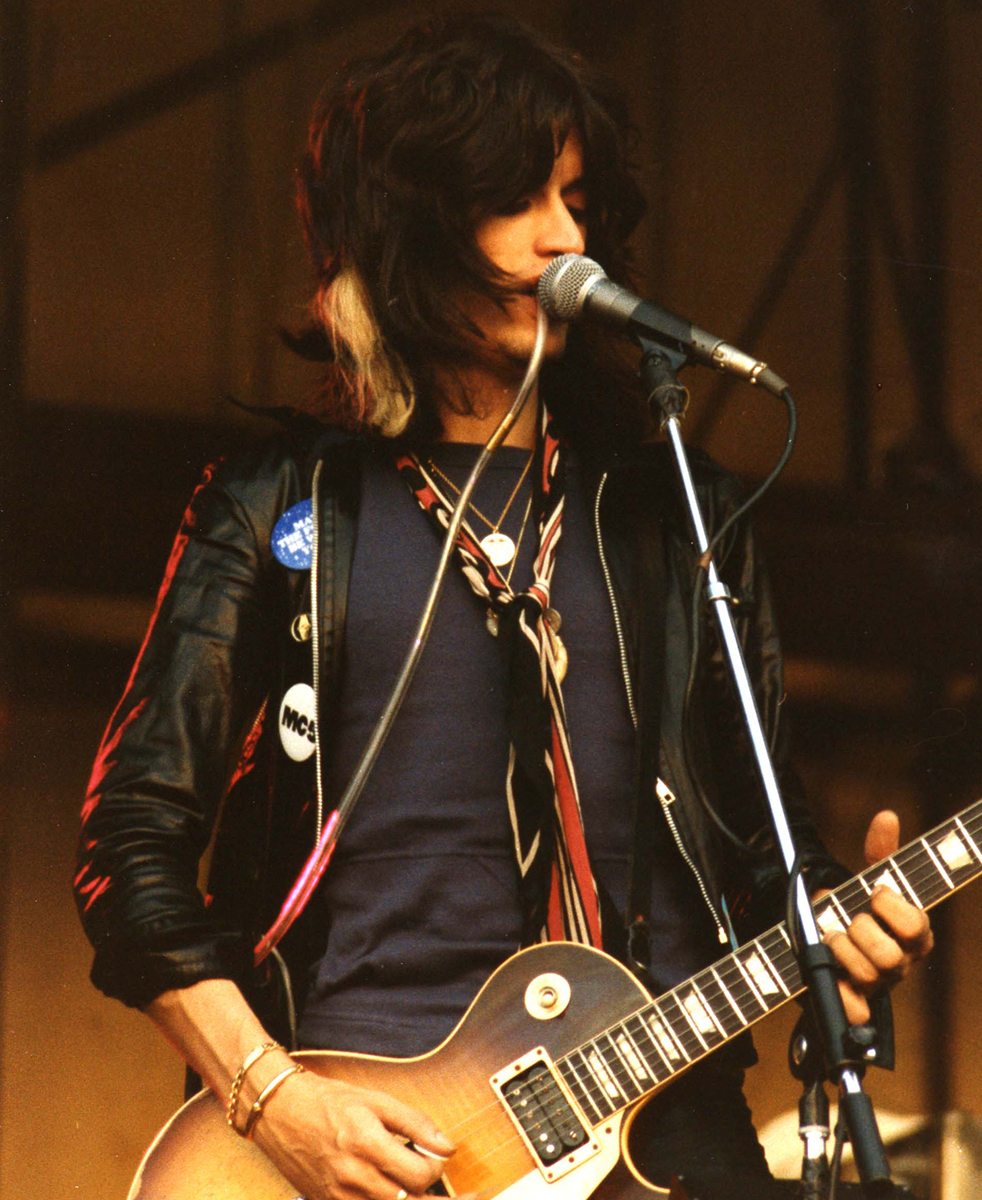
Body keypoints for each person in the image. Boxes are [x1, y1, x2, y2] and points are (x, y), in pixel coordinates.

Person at [74, 14, 932, 1200]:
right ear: (408, 221)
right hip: (366, 1142)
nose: (562, 238)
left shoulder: (675, 517)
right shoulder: (274, 508)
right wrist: (275, 1100)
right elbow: (130, 847)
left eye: (578, 201)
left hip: (664, 1132)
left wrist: (844, 925)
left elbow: (760, 855)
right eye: (515, 198)